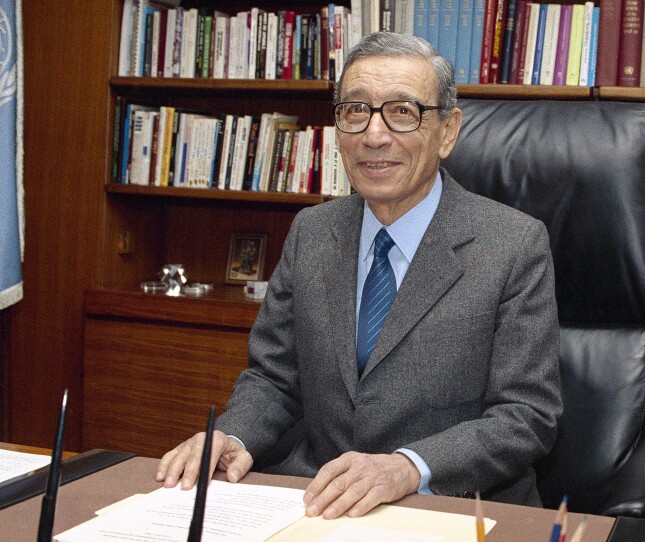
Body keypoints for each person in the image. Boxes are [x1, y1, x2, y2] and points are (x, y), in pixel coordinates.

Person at [156, 31, 561, 520]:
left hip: (454, 512)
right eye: (356, 111)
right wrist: (234, 434)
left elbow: (525, 417)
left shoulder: (513, 245)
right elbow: (275, 377)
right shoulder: (312, 231)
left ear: (448, 131)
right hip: (319, 505)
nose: (374, 135)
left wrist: (407, 468)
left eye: (402, 111)